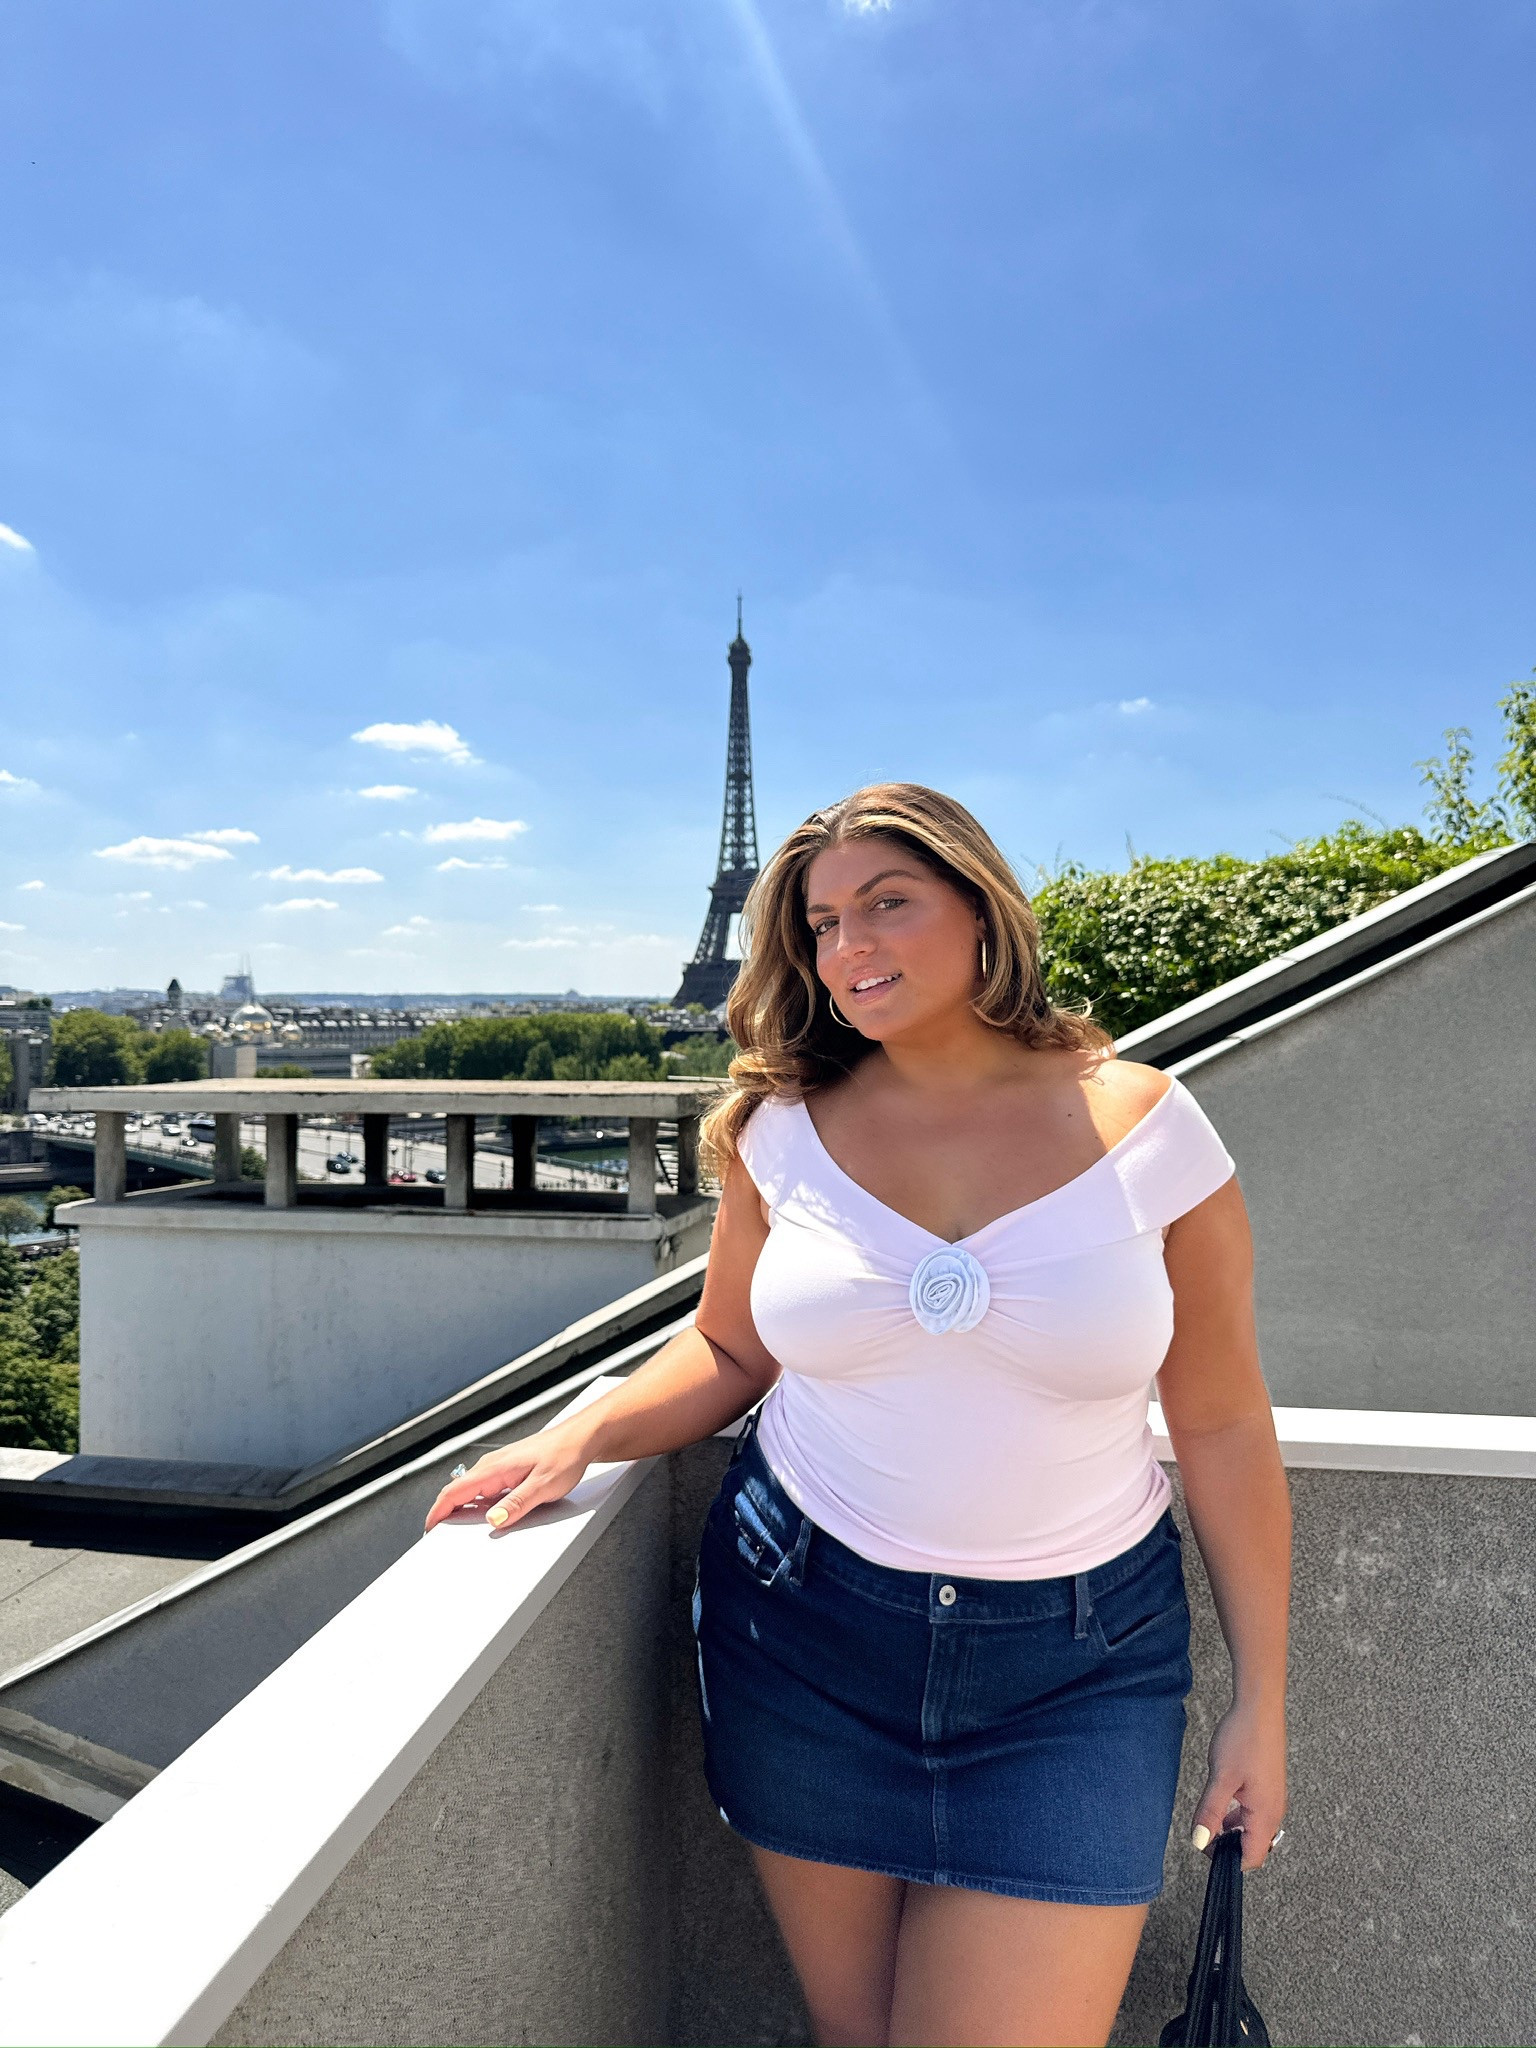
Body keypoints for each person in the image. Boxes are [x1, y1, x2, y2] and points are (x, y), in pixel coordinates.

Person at [425, 782, 1291, 2048]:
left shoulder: (1151, 1127)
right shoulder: (784, 1129)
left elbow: (1218, 1419)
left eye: (890, 903)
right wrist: (588, 1427)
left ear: (985, 909)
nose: (851, 946)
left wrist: (1261, 1694)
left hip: (1079, 1668)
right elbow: (728, 1342)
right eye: (824, 922)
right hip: (806, 1634)